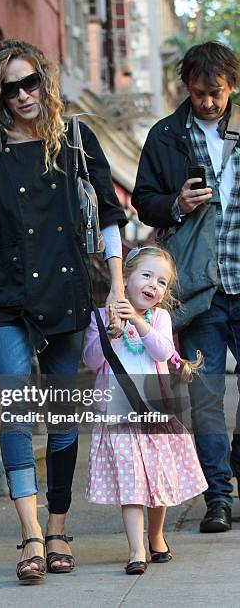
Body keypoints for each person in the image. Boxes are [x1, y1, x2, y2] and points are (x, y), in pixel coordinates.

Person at [0, 39, 127, 583]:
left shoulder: (74, 137)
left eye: (32, 83)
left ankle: (56, 526)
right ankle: (28, 533)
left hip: (66, 292)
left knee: (65, 419)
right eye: (11, 88)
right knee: (20, 412)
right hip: (2, 296)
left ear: (45, 83)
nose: (24, 95)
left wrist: (117, 288)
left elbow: (111, 218)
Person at [132, 41, 240, 533]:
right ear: (186, 88)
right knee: (206, 397)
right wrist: (176, 203)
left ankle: (233, 462)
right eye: (199, 93)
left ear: (231, 86)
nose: (208, 103)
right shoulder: (167, 135)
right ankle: (218, 496)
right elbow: (143, 202)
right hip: (198, 290)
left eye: (216, 93)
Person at [82, 246, 207, 574]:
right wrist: (112, 334)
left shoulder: (160, 318)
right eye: (146, 275)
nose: (154, 284)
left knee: (159, 479)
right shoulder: (100, 316)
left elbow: (163, 351)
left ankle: (155, 535)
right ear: (124, 279)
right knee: (132, 480)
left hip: (155, 413)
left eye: (162, 281)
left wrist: (137, 321)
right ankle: (136, 549)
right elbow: (91, 360)